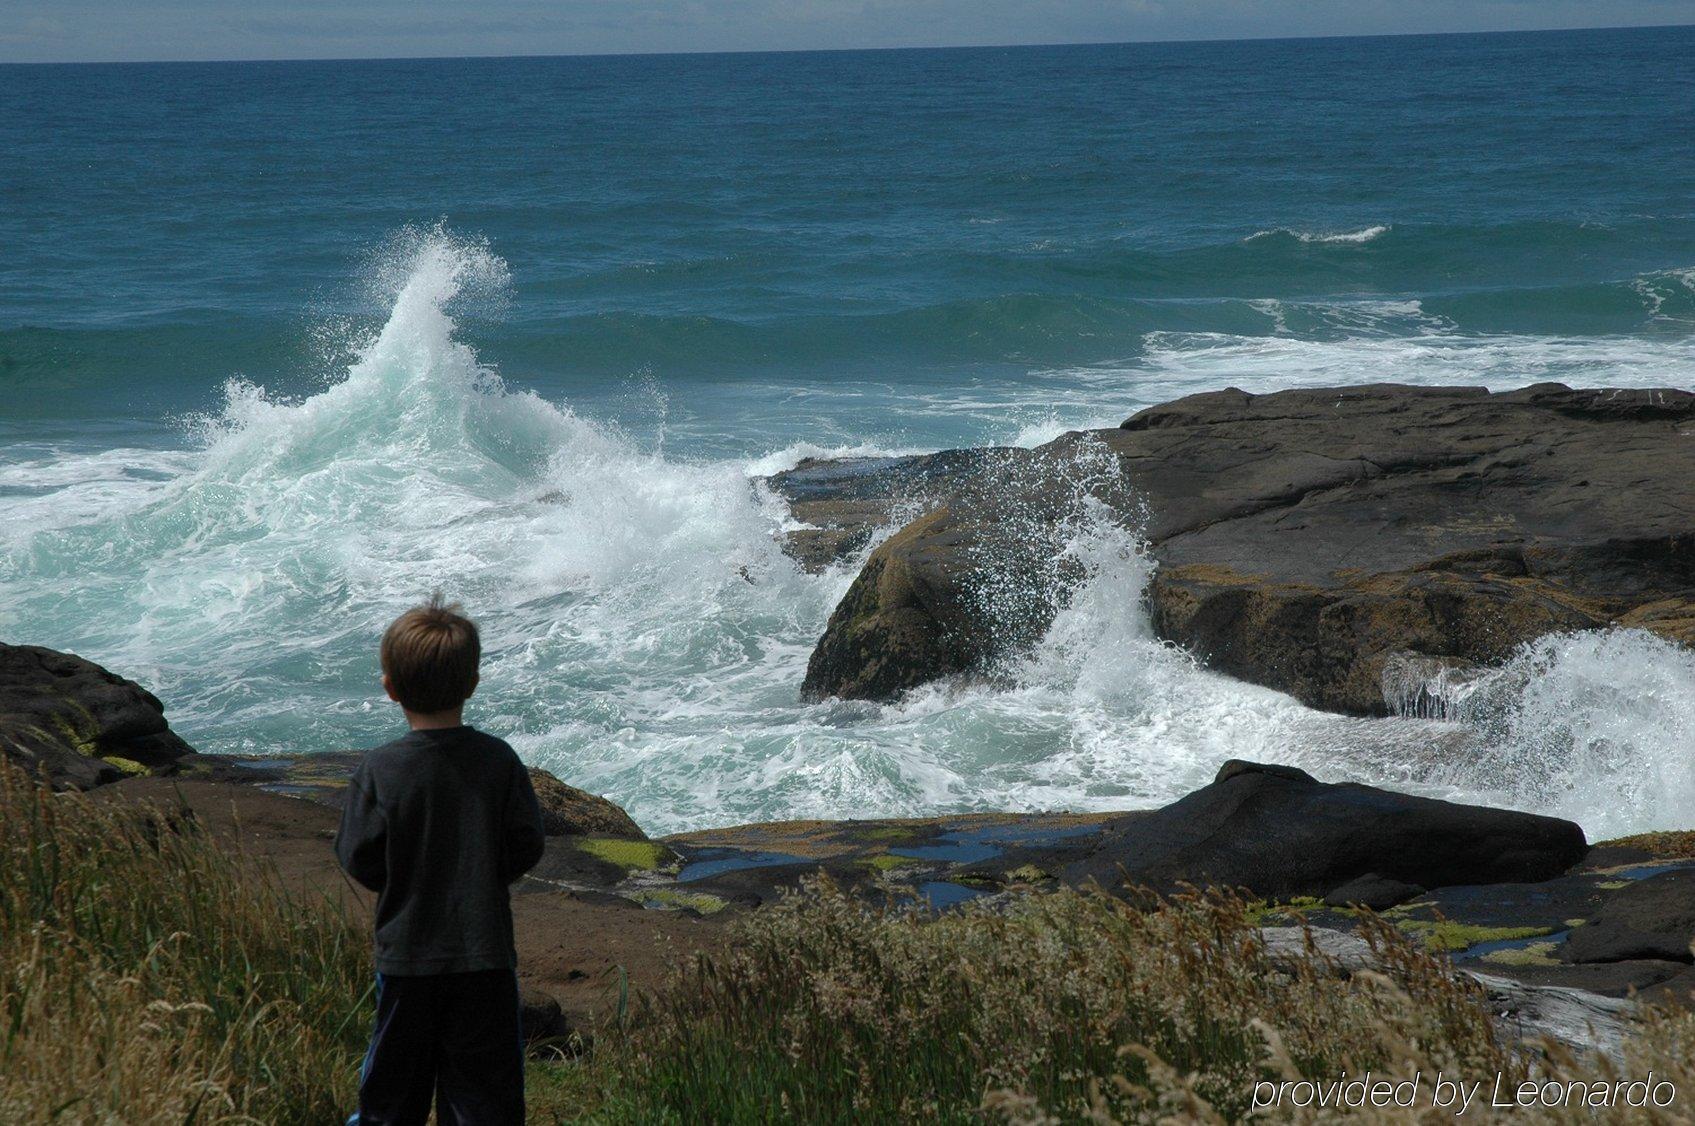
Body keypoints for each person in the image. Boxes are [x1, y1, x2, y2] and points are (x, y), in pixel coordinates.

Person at [336, 594, 546, 1126]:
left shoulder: (380, 768)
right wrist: (483, 870)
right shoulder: (498, 760)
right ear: (472, 684)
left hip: (406, 957)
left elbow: (358, 855)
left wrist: (403, 878)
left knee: (390, 1095)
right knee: (484, 1101)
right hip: (484, 955)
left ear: (390, 688)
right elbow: (527, 842)